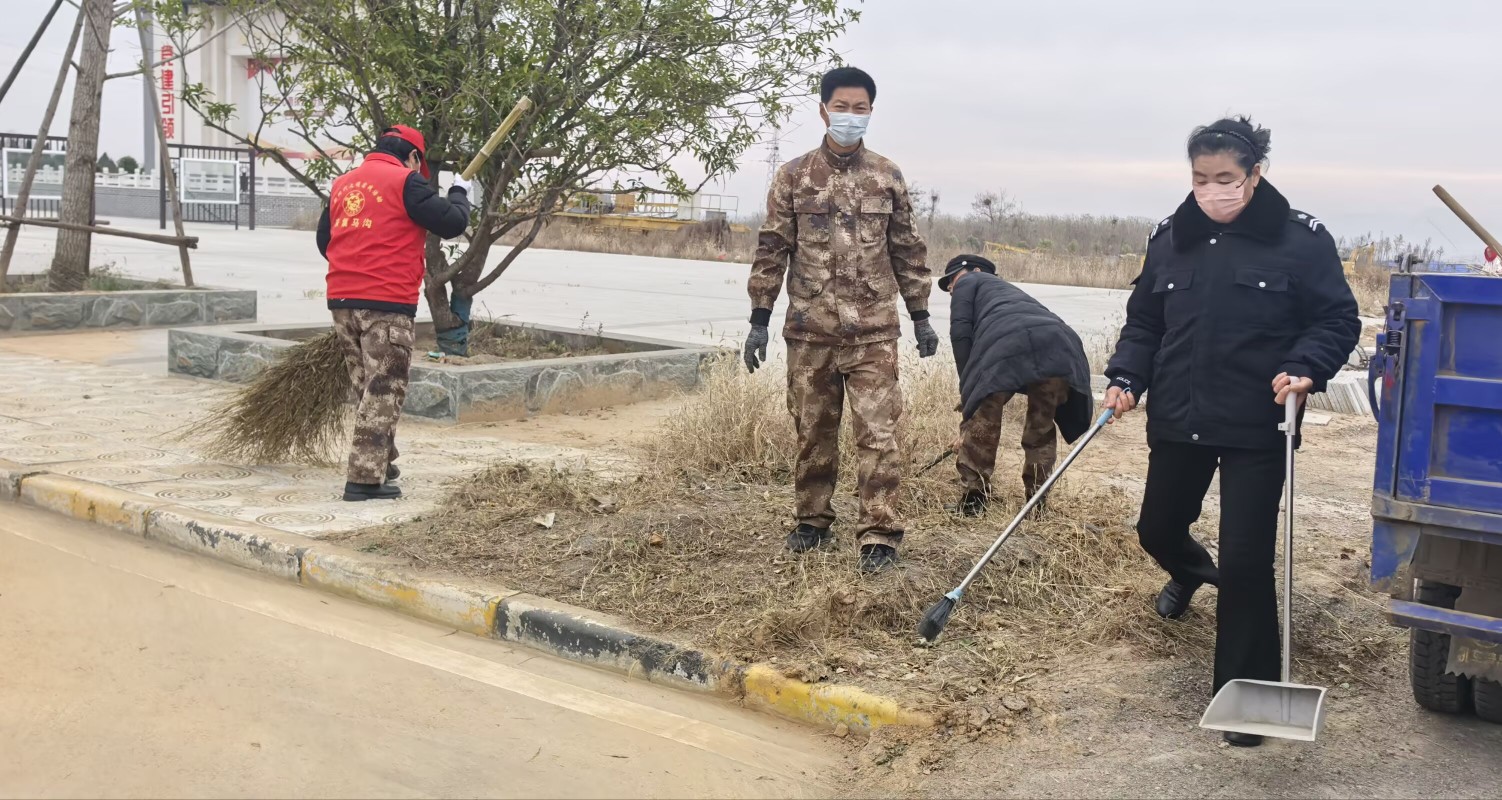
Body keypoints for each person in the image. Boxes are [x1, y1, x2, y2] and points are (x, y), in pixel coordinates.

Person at [1103, 116, 1360, 747]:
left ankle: (1247, 706)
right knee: (1156, 527)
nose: (1212, 189)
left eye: (1226, 177)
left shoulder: (1300, 239)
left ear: (1255, 174)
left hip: (1259, 421)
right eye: (1200, 178)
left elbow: (1336, 319)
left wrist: (1306, 366)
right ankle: (1191, 571)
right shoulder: (1170, 238)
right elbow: (1145, 321)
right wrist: (1127, 376)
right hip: (1180, 416)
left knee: (1246, 561)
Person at [743, 66, 935, 573]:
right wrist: (759, 317)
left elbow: (907, 249)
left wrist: (921, 316)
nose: (851, 115)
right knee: (813, 430)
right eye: (842, 107)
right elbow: (773, 249)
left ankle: (879, 534)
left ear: (871, 111)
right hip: (811, 331)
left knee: (878, 434)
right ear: (824, 110)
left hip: (873, 332)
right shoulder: (794, 176)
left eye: (860, 108)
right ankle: (812, 520)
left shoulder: (887, 176)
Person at [317, 125, 472, 501]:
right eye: (419, 164)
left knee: (367, 389)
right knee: (384, 390)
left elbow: (325, 241)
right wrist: (459, 192)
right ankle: (363, 481)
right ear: (414, 157)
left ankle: (381, 461)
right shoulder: (406, 182)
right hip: (385, 304)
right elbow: (453, 223)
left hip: (341, 301)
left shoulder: (343, 184)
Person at [941, 254, 1093, 517]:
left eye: (951, 280)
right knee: (1041, 427)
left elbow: (960, 333)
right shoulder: (1010, 293)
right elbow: (1013, 368)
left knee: (983, 421)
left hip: (1007, 344)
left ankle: (974, 500)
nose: (951, 288)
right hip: (1060, 344)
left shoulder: (970, 281)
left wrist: (969, 397)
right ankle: (1036, 504)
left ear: (975, 271)